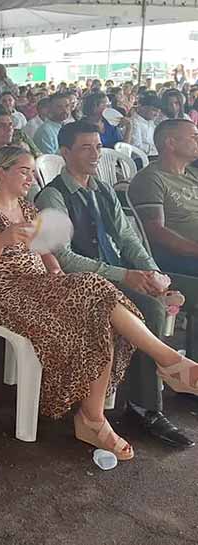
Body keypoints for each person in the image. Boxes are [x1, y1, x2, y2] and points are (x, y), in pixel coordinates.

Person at [0, 146, 198, 458]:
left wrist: (55, 270)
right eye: (23, 171)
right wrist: (2, 239)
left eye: (32, 171)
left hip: (41, 285)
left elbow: (45, 251)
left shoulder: (25, 207)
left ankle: (94, 419)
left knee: (96, 309)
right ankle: (162, 365)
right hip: (7, 293)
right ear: (0, 172)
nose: (31, 177)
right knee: (93, 287)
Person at [35, 121, 195, 447]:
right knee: (147, 306)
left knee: (166, 294)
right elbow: (65, 259)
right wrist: (127, 276)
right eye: (85, 147)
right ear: (64, 153)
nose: (95, 153)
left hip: (118, 272)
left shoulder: (103, 188)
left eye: (97, 146)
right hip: (85, 282)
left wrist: (154, 274)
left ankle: (179, 379)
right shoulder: (54, 196)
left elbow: (127, 237)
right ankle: (145, 407)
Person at [129, 119, 198, 294]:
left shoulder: (192, 173)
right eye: (194, 137)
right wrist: (193, 249)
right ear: (171, 143)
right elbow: (155, 231)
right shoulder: (151, 179)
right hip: (180, 256)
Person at [130, 92, 162, 158]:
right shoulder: (134, 122)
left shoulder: (152, 123)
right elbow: (136, 148)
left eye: (158, 112)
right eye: (154, 110)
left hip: (154, 156)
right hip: (141, 159)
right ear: (142, 107)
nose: (156, 114)